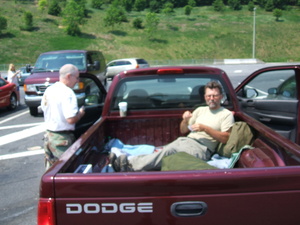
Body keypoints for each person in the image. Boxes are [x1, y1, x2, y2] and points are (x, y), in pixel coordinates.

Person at [112, 81, 235, 172]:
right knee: (160, 152)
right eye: (209, 96)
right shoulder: (200, 110)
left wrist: (205, 129)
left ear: (221, 97)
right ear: (205, 97)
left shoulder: (226, 114)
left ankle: (129, 164)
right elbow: (183, 130)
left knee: (168, 152)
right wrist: (185, 120)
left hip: (201, 149)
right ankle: (127, 161)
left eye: (215, 96)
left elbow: (225, 138)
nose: (211, 99)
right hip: (185, 140)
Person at [41, 64, 85, 170]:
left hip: (49, 137)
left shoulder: (49, 90)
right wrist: (81, 113)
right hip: (62, 139)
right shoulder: (68, 93)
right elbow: (71, 119)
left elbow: (44, 108)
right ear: (69, 76)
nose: (78, 81)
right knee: (65, 170)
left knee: (51, 171)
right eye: (77, 77)